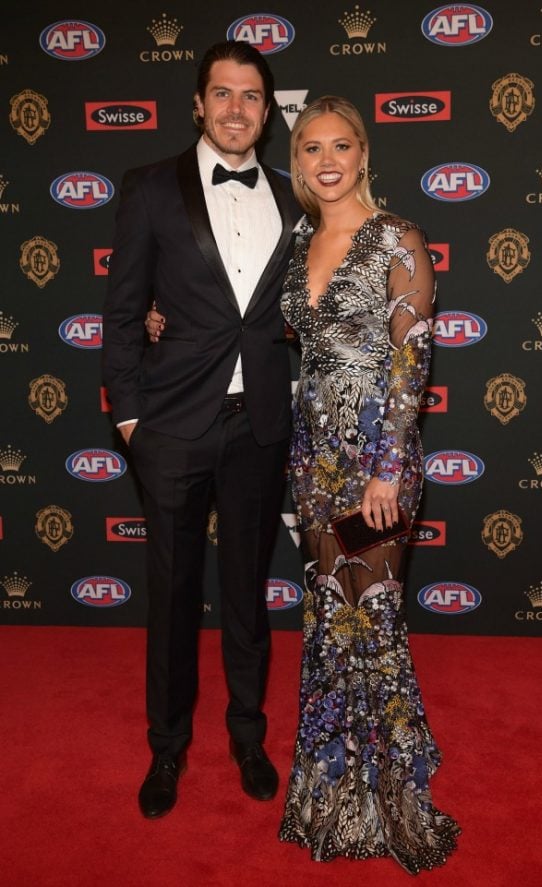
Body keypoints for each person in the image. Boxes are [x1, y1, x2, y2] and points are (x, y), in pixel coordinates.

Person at [102, 40, 301, 819]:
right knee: (174, 594)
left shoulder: (292, 198)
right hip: (174, 424)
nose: (235, 109)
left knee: (248, 593)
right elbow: (123, 311)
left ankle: (247, 735)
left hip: (260, 426)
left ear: (267, 111)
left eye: (251, 96)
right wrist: (128, 414)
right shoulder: (150, 188)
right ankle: (167, 746)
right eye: (221, 93)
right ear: (198, 103)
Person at [275, 96, 461, 872]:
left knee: (372, 617)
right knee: (328, 618)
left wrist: (388, 465)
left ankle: (388, 795)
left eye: (341, 145)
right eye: (311, 147)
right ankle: (330, 782)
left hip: (376, 459)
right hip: (313, 454)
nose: (326, 159)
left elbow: (411, 361)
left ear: (363, 154)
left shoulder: (398, 237)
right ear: (299, 161)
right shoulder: (297, 241)